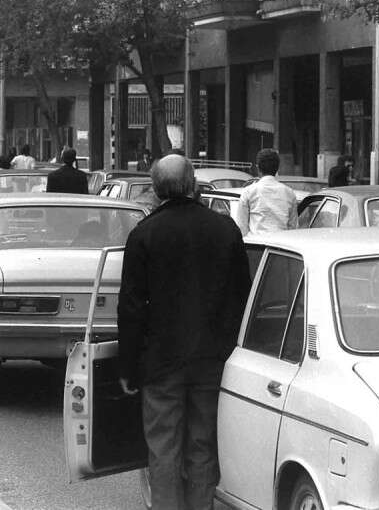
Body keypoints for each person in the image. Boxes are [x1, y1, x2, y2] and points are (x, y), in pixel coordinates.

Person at [118, 154, 251, 510]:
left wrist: (128, 367)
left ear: (156, 189)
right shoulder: (225, 230)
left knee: (163, 448)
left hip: (161, 363)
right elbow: (242, 294)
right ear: (193, 184)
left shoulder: (144, 234)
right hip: (213, 359)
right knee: (203, 445)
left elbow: (131, 309)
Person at [236, 148, 298, 236]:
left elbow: (241, 227)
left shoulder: (248, 192)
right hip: (282, 242)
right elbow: (293, 227)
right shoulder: (289, 193)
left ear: (257, 168)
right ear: (277, 169)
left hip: (256, 242)